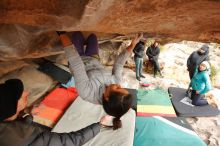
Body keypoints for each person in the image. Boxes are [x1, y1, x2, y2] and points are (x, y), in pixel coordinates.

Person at [57, 31, 143, 130]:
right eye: (122, 87)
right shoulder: (116, 84)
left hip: (80, 59)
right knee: (92, 37)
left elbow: (77, 64)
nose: (118, 85)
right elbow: (119, 64)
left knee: (77, 35)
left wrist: (61, 34)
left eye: (117, 88)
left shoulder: (87, 92)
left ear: (106, 97)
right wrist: (133, 44)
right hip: (94, 59)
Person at [0, 79, 107, 146]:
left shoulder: (7, 120)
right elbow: (71, 141)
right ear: (14, 108)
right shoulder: (30, 140)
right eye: (22, 97)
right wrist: (99, 125)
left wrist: (27, 113)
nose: (27, 92)